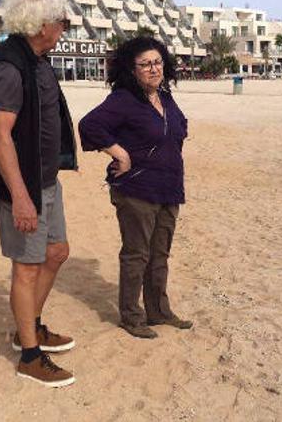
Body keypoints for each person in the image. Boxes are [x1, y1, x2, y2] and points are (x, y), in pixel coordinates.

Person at [0, 0, 77, 387]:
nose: (65, 28)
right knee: (27, 267)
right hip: (25, 187)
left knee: (56, 252)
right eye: (62, 20)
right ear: (41, 24)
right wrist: (20, 197)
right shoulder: (9, 66)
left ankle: (28, 328)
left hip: (47, 181)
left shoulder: (37, 60)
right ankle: (30, 357)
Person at [78, 37, 193, 339]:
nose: (153, 69)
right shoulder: (124, 99)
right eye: (145, 65)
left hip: (169, 188)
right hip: (137, 189)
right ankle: (131, 316)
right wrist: (120, 153)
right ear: (132, 70)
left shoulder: (165, 97)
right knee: (136, 254)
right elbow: (89, 126)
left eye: (157, 62)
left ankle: (158, 310)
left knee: (160, 255)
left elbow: (179, 128)